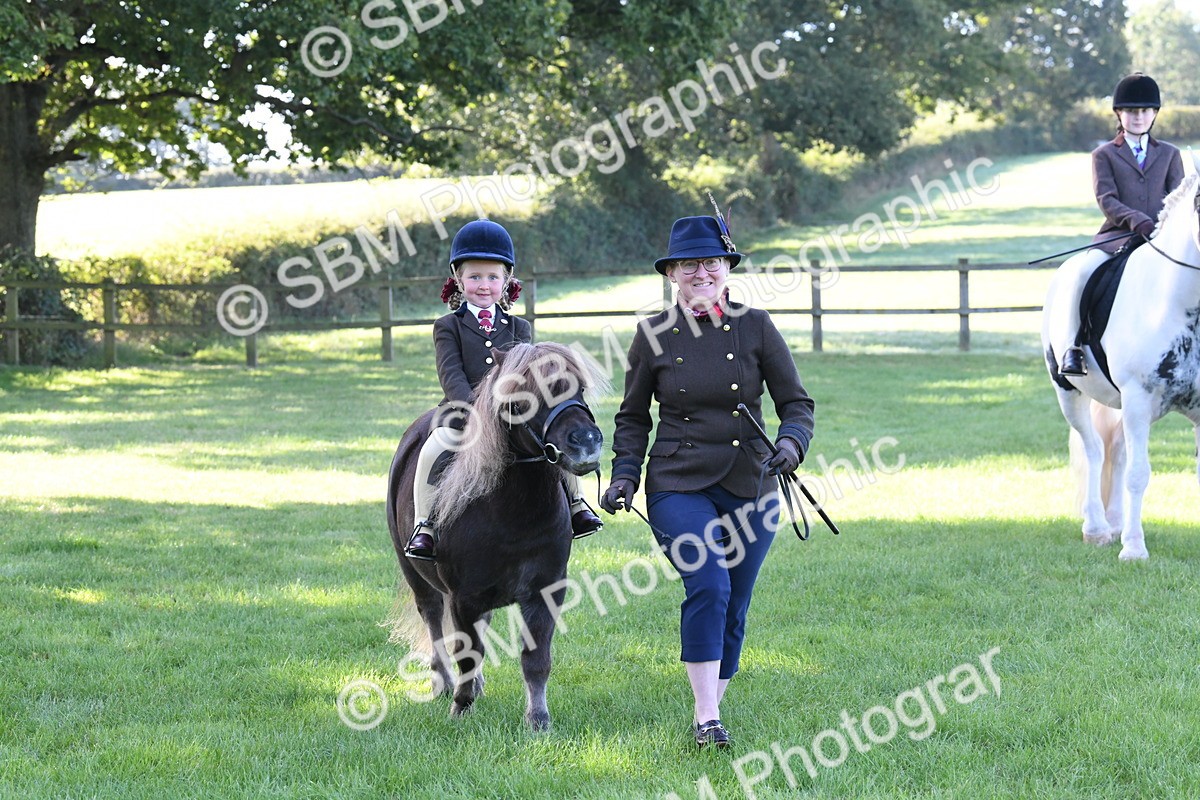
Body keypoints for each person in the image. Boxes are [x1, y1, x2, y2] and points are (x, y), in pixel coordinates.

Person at [599, 212, 815, 748]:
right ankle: (706, 718)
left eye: (711, 262)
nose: (702, 272)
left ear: (726, 267)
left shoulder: (755, 325)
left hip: (754, 481)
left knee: (736, 603)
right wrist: (625, 474)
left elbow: (796, 403)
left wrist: (790, 445)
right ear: (672, 272)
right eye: (690, 263)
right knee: (709, 584)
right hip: (678, 480)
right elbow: (632, 418)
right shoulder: (651, 336)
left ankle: (713, 704)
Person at [405, 219, 603, 560]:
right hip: (463, 410)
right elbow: (450, 372)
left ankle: (576, 503)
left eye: (493, 277)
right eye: (475, 277)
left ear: (506, 280)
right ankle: (425, 524)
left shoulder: (518, 326)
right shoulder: (447, 326)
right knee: (433, 446)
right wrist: (472, 407)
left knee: (551, 438)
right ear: (458, 279)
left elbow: (525, 372)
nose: (484, 285)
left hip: (514, 408)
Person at [1058, 72, 1185, 376]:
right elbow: (1106, 198)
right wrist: (1136, 220)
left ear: (1154, 113)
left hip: (1161, 237)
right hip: (1117, 236)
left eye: (1144, 111)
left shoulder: (1170, 154)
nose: (1138, 117)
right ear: (1119, 114)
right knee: (1082, 275)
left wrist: (1161, 225)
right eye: (1131, 111)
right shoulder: (1104, 155)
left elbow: (1179, 198)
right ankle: (1074, 347)